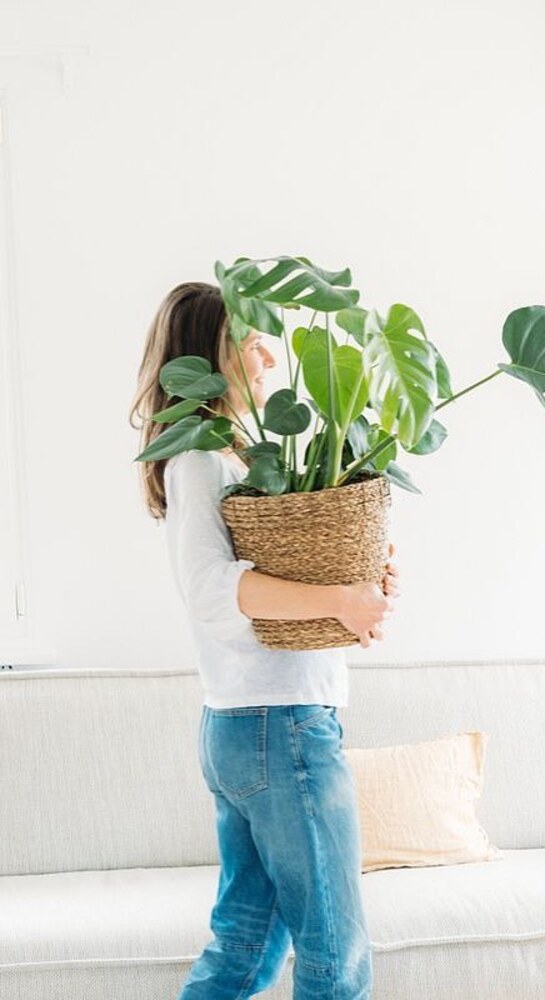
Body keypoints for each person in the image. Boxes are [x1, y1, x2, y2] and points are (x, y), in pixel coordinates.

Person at [129, 280, 400, 999]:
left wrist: (356, 587)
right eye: (247, 340)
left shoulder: (239, 455)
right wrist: (338, 599)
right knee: (334, 955)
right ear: (209, 356)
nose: (266, 354)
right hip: (278, 728)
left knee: (246, 948)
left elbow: (277, 579)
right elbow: (214, 591)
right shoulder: (202, 459)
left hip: (253, 726)